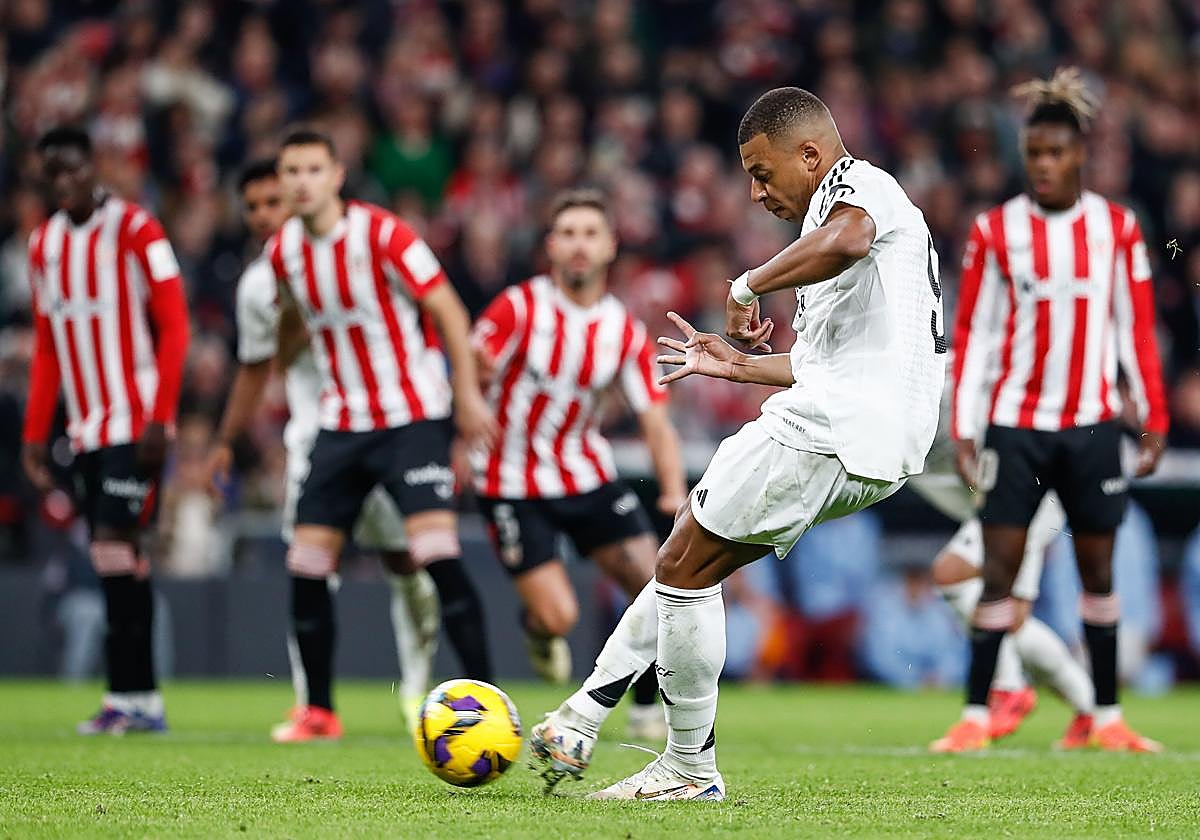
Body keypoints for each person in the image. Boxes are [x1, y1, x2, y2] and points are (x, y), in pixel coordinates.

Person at [529, 87, 944, 800]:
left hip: (840, 424)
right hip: (878, 437)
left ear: (810, 154)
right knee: (690, 561)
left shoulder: (859, 188)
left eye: (761, 171)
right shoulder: (838, 231)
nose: (754, 192)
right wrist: (738, 365)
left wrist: (747, 285)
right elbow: (820, 362)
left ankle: (676, 763)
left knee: (683, 562)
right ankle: (586, 720)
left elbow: (846, 236)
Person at [932, 68, 1168, 753]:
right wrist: (968, 426)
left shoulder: (1117, 230)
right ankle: (977, 716)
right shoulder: (996, 230)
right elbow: (975, 332)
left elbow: (1134, 329)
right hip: (1018, 422)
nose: (1043, 165)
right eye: (1033, 154)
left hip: (1092, 424)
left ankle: (1107, 716)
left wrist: (1150, 416)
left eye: (1055, 153)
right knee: (998, 573)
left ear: (1079, 157)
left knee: (1099, 574)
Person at [262, 128, 496, 742]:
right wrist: (280, 354)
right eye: (291, 171)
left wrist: (466, 394)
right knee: (307, 563)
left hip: (410, 416)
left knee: (436, 557)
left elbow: (446, 307)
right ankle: (317, 711)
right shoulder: (284, 250)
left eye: (313, 169)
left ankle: (489, 700)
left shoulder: (383, 233)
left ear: (337, 175)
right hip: (340, 422)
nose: (301, 181)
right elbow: (293, 315)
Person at [203, 159, 449, 732]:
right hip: (316, 437)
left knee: (406, 560)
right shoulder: (259, 284)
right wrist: (225, 440)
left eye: (275, 201)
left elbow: (421, 326)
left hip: (388, 426)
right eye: (254, 206)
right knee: (309, 568)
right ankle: (313, 705)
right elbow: (258, 367)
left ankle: (418, 688)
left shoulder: (362, 250)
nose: (266, 214)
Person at [470, 189, 687, 739]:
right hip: (510, 480)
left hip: (585, 472)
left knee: (654, 581)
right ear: (550, 246)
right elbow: (467, 375)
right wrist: (464, 415)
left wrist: (671, 491)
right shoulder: (517, 308)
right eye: (568, 233)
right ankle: (538, 629)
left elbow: (655, 419)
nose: (579, 245)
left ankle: (644, 707)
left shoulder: (622, 331)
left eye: (590, 233)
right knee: (559, 617)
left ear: (611, 246)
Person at [22, 126, 190, 734]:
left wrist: (161, 417)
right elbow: (47, 348)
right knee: (115, 555)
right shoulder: (43, 246)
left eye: (72, 169)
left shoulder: (136, 228)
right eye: (52, 173)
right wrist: (35, 433)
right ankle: (140, 700)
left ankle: (131, 697)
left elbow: (174, 325)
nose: (64, 182)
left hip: (134, 420)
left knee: (116, 550)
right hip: (86, 428)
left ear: (93, 166)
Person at [910, 383, 1095, 747]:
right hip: (1003, 507)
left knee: (951, 573)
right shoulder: (895, 410)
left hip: (1029, 498)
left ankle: (1009, 688)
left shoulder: (950, 392)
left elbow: (1015, 456)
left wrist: (1023, 580)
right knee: (1011, 621)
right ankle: (1088, 708)